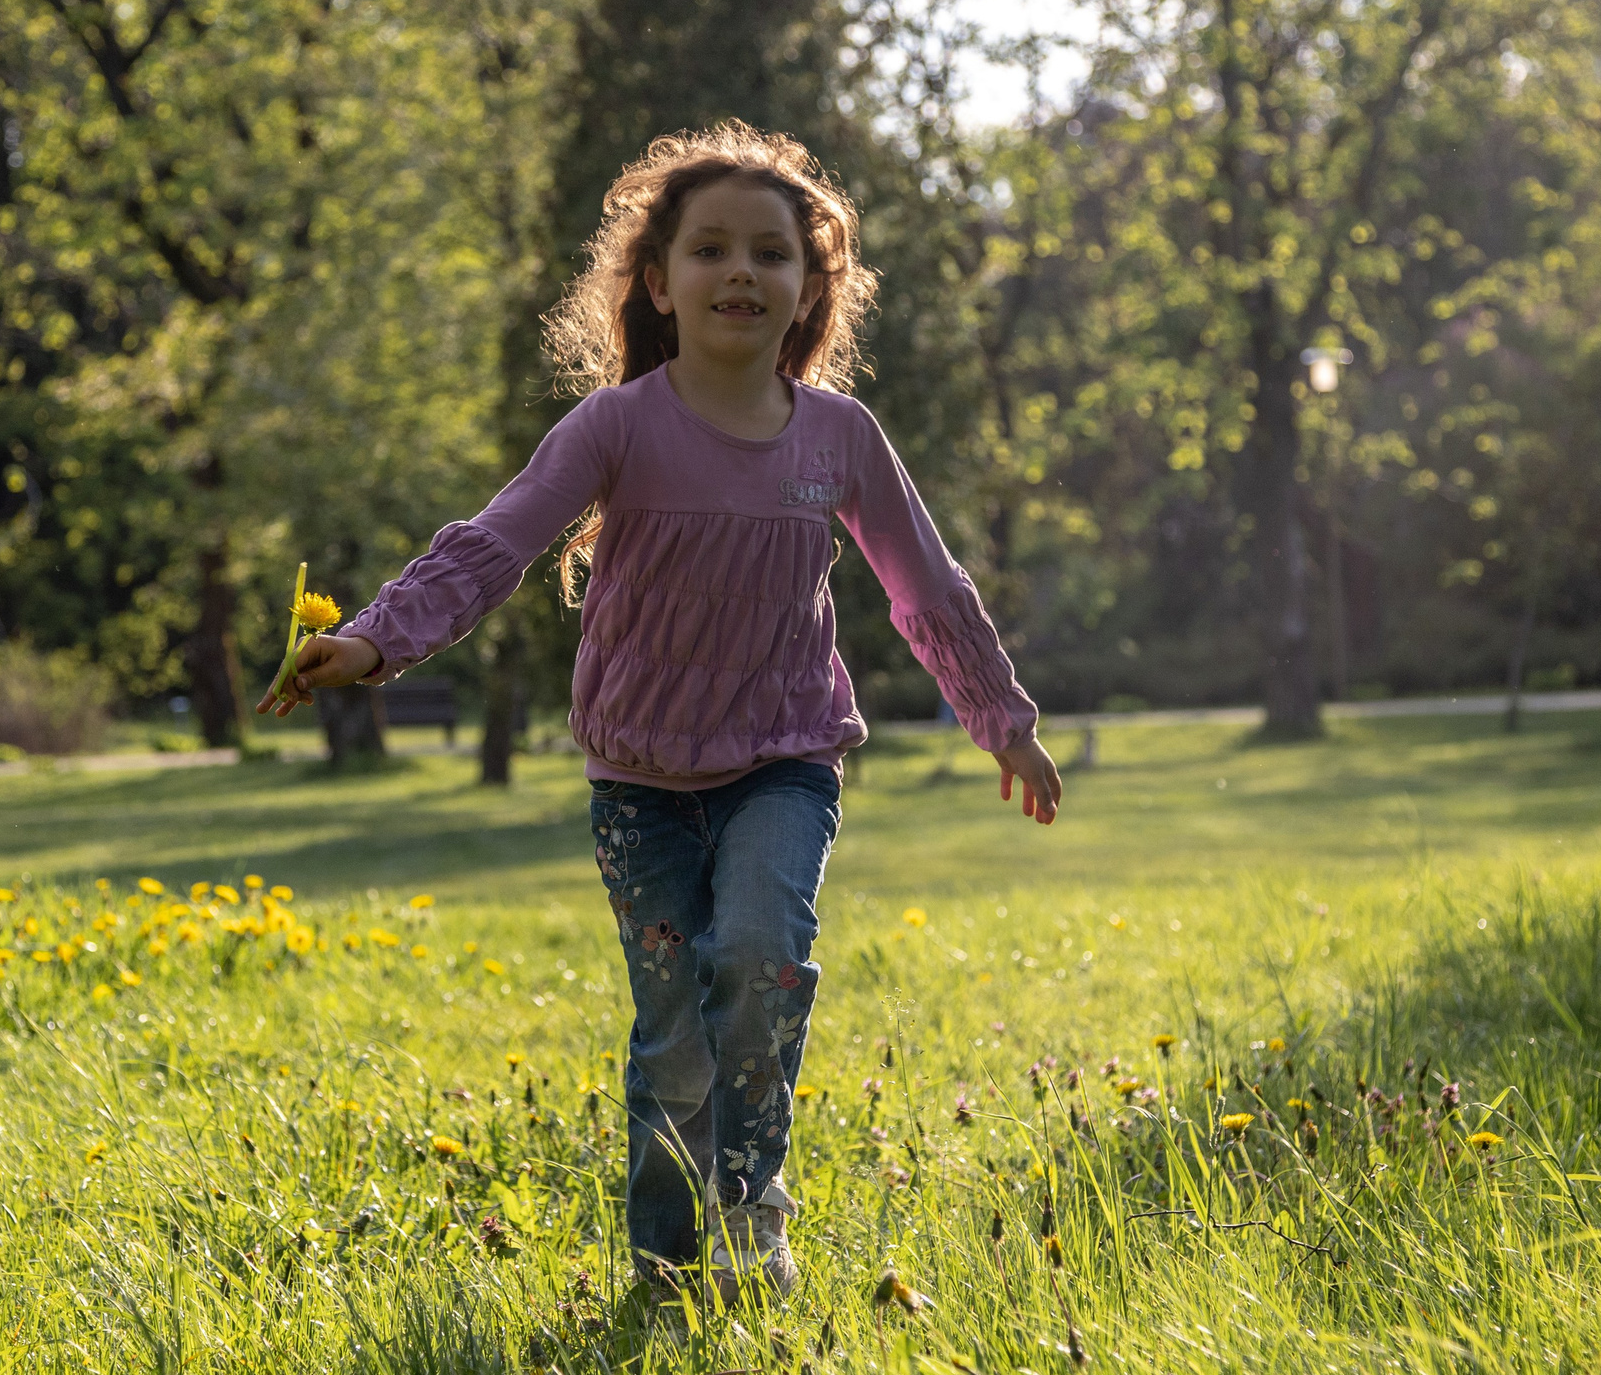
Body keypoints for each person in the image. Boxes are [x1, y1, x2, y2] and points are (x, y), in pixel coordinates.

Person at [259, 121, 1059, 1304]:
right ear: (657, 281)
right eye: (712, 250)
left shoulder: (840, 439)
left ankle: (754, 1216)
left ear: (807, 290)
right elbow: (494, 546)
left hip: (785, 761)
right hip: (638, 777)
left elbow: (923, 585)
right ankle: (665, 1268)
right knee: (675, 1027)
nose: (743, 272)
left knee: (757, 957)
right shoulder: (618, 426)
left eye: (773, 255)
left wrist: (1001, 717)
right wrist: (378, 638)